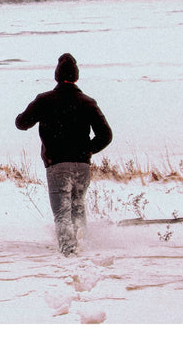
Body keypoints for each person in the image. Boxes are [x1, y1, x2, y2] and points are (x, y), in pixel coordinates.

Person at [15, 53, 112, 256]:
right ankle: (83, 244)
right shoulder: (87, 102)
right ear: (76, 77)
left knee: (62, 212)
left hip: (57, 163)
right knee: (77, 206)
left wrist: (22, 117)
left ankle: (69, 252)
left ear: (57, 77)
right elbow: (106, 135)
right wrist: (88, 150)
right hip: (82, 164)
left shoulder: (45, 100)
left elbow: (22, 123)